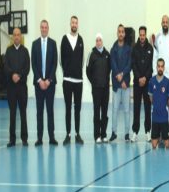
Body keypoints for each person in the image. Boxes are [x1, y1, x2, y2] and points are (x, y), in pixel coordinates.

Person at [32, 19, 58, 146]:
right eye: (42, 27)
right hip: (38, 85)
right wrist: (39, 80)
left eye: (45, 27)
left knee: (50, 111)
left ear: (48, 29)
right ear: (40, 28)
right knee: (39, 111)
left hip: (50, 84)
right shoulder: (35, 44)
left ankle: (52, 137)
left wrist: (48, 80)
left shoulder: (53, 43)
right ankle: (39, 138)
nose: (43, 29)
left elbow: (54, 63)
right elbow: (33, 64)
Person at [60, 16, 84, 145]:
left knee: (77, 108)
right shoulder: (65, 39)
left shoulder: (81, 40)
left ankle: (77, 134)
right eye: (72, 22)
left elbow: (82, 59)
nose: (74, 24)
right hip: (67, 80)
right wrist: (67, 70)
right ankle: (68, 134)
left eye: (76, 23)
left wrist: (77, 71)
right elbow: (61, 59)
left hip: (78, 81)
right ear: (70, 24)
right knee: (68, 108)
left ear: (78, 24)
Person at [5, 27, 30, 147]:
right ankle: (12, 139)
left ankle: (24, 138)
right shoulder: (8, 51)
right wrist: (12, 75)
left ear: (21, 37)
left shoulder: (25, 51)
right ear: (12, 37)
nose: (16, 37)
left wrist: (19, 75)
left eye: (18, 35)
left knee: (23, 113)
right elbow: (6, 66)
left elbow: (27, 67)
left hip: (22, 87)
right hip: (11, 88)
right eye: (14, 35)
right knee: (12, 114)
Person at [109, 25, 131, 142]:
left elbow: (129, 65)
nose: (121, 33)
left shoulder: (128, 49)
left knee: (127, 110)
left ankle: (127, 133)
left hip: (126, 84)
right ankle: (114, 133)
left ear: (124, 34)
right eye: (119, 32)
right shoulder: (113, 49)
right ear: (117, 33)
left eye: (123, 32)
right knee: (115, 109)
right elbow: (113, 65)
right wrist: (120, 79)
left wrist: (123, 79)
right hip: (117, 85)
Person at [86, 34, 111, 143]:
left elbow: (109, 69)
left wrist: (105, 81)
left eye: (100, 40)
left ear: (102, 41)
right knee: (97, 112)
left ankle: (104, 134)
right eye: (96, 40)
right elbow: (88, 71)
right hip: (96, 89)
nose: (98, 42)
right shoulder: (91, 54)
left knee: (104, 112)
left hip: (105, 89)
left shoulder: (107, 54)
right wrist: (94, 82)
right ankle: (97, 136)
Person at [131, 26, 153, 142]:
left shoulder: (150, 48)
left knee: (147, 108)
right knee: (136, 107)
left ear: (145, 35)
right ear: (139, 35)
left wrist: (145, 78)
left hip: (147, 82)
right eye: (140, 35)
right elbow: (133, 65)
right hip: (137, 82)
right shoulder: (134, 48)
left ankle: (148, 131)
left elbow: (150, 66)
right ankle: (135, 131)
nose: (142, 37)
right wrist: (139, 77)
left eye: (144, 35)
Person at [148, 59, 169, 149]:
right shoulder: (152, 81)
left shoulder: (167, 82)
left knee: (167, 145)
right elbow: (151, 97)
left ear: (164, 68)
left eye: (162, 66)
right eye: (159, 66)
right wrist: (156, 105)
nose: (160, 68)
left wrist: (164, 105)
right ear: (156, 67)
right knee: (154, 145)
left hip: (164, 117)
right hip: (155, 117)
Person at [152, 15, 169, 80]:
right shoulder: (158, 37)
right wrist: (155, 73)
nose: (165, 24)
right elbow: (155, 57)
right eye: (163, 22)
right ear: (161, 24)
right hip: (160, 74)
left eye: (166, 22)